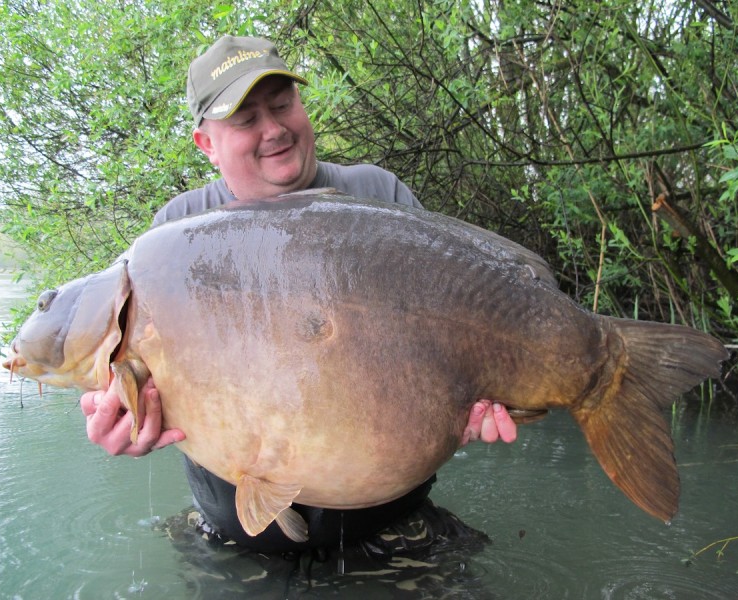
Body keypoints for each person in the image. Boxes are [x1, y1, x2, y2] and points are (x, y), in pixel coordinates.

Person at [79, 35, 517, 554]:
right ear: (207, 144)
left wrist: (477, 396)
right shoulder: (174, 237)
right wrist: (122, 423)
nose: (274, 129)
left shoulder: (382, 198)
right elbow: (125, 382)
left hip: (390, 527)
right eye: (245, 120)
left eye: (283, 103)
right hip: (237, 539)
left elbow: (464, 341)